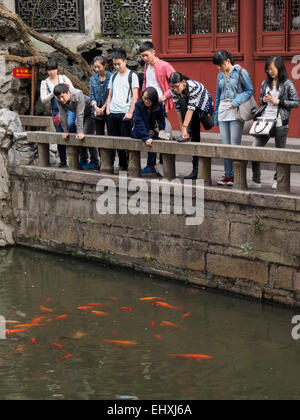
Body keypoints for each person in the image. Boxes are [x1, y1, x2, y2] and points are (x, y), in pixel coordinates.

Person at [248, 56, 299, 190]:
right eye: (268, 69)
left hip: (280, 123)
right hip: (265, 121)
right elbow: (260, 100)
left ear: (279, 67)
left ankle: (278, 180)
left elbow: (295, 103)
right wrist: (264, 100)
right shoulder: (265, 83)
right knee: (254, 149)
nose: (270, 71)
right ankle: (256, 179)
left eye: (272, 68)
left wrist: (279, 102)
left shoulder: (288, 84)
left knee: (280, 153)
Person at [213, 50, 254, 186]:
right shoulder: (219, 75)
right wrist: (216, 115)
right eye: (217, 65)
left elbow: (249, 91)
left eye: (220, 65)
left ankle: (236, 175)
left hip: (235, 109)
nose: (219, 68)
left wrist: (235, 102)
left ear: (228, 61)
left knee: (234, 144)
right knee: (225, 145)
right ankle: (228, 175)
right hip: (223, 110)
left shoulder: (241, 72)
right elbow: (218, 95)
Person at [169, 72, 214, 180]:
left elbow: (191, 109)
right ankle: (196, 170)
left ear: (183, 82)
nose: (174, 89)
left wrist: (185, 128)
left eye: (177, 86)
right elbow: (178, 110)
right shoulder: (173, 90)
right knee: (194, 137)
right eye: (172, 87)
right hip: (190, 108)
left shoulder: (194, 87)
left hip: (203, 107)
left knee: (201, 130)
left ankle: (197, 170)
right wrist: (182, 129)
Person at [139, 41, 175, 175]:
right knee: (151, 133)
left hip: (160, 106)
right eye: (142, 56)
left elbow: (176, 84)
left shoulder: (165, 66)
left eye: (147, 55)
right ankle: (151, 165)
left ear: (154, 52)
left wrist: (165, 96)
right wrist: (143, 98)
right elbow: (145, 83)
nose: (145, 58)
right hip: (148, 105)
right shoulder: (146, 67)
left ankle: (163, 161)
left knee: (162, 132)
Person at [106, 49, 139, 172]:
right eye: (114, 64)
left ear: (125, 61)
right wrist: (108, 110)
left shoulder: (132, 76)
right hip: (112, 112)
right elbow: (110, 94)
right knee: (116, 141)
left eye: (118, 63)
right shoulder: (113, 76)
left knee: (127, 140)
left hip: (125, 112)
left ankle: (131, 164)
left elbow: (135, 96)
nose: (116, 66)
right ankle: (122, 163)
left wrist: (130, 112)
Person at [53, 83, 100, 170]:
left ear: (68, 92)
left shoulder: (78, 94)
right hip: (78, 113)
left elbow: (79, 114)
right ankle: (83, 160)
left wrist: (80, 131)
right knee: (78, 136)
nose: (61, 99)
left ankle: (95, 162)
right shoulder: (57, 98)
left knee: (86, 135)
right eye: (59, 98)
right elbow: (62, 115)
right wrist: (65, 130)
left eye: (63, 96)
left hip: (89, 113)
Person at [40, 58, 76, 168]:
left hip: (69, 108)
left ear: (57, 69)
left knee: (72, 129)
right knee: (60, 135)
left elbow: (73, 91)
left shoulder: (63, 78)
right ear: (46, 71)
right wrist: (54, 93)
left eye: (54, 69)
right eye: (49, 70)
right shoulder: (45, 83)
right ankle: (63, 161)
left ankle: (76, 159)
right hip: (56, 112)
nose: (52, 72)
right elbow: (43, 99)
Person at [90, 55, 111, 136]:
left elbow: (111, 95)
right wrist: (96, 108)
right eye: (95, 67)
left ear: (105, 65)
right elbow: (92, 95)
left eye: (98, 67)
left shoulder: (112, 77)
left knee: (111, 133)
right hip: (97, 109)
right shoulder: (92, 79)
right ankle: (100, 149)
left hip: (109, 109)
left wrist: (104, 107)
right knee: (99, 134)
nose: (96, 69)